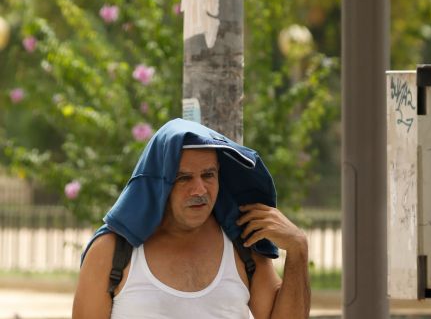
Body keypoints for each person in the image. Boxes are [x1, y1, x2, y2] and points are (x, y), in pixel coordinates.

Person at [72, 119, 310, 319]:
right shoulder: (111, 251)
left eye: (208, 175)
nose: (200, 190)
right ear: (158, 185)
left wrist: (298, 248)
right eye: (184, 178)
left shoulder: (242, 243)